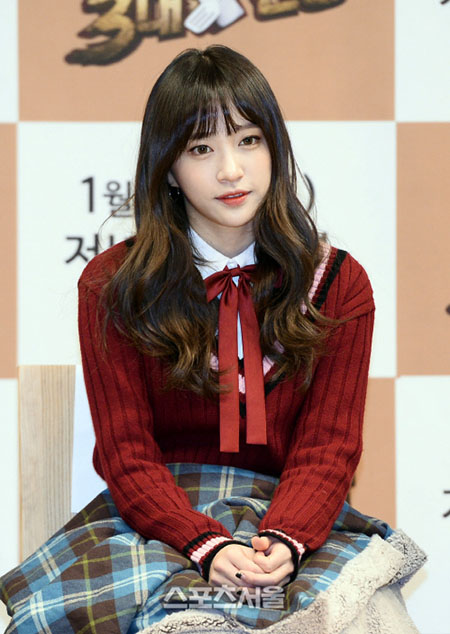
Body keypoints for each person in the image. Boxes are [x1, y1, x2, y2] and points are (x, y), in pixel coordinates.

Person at [1, 45, 423, 633]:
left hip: (291, 522)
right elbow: (126, 453)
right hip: (158, 526)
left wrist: (285, 539)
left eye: (249, 140)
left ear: (276, 148)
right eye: (201, 148)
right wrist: (205, 543)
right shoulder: (115, 284)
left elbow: (328, 447)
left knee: (367, 618)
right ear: (168, 166)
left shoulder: (337, 283)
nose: (231, 170)